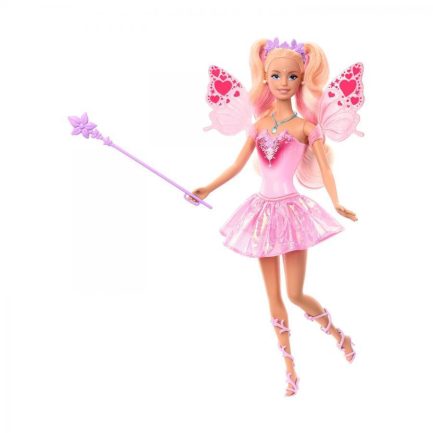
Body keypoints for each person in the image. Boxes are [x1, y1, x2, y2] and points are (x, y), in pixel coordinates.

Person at [186, 37, 363, 397]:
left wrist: (336, 201)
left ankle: (338, 334)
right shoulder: (259, 125)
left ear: (301, 80)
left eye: (292, 76)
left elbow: (325, 169)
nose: (284, 82)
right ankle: (290, 369)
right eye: (277, 75)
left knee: (295, 293)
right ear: (265, 78)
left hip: (292, 212)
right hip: (262, 215)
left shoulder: (306, 128)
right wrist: (207, 188)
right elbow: (237, 165)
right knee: (273, 297)